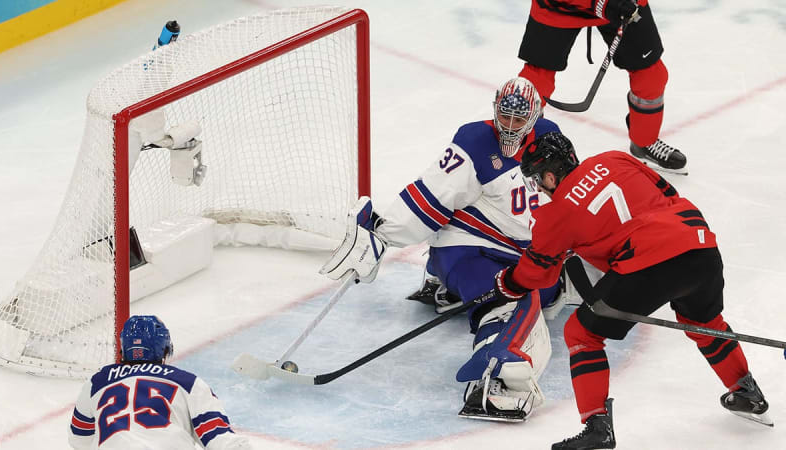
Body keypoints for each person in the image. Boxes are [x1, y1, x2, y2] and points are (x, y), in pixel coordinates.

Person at [320, 77, 577, 422]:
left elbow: (567, 193)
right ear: (495, 109)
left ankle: (450, 288)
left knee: (550, 288)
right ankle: (496, 379)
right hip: (467, 249)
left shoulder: (549, 136)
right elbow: (430, 198)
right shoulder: (473, 143)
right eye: (505, 116)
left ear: (535, 115)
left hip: (520, 250)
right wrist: (382, 232)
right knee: (515, 299)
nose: (511, 126)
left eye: (519, 119)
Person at [492, 132, 770, 449]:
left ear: (550, 175)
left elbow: (537, 273)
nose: (539, 188)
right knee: (705, 323)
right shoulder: (615, 158)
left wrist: (507, 284)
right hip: (699, 244)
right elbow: (667, 191)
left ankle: (597, 427)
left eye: (537, 180)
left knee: (581, 334)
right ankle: (746, 391)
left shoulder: (556, 213)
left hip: (649, 263)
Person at [517, 0, 688, 174]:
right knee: (535, 82)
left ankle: (644, 142)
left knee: (651, 76)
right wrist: (603, 4)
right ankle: (521, 148)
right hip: (560, 8)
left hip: (620, 5)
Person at [68, 315, 252, 449]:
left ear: (124, 350)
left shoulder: (97, 383)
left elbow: (78, 439)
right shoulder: (188, 382)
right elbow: (220, 440)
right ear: (165, 349)